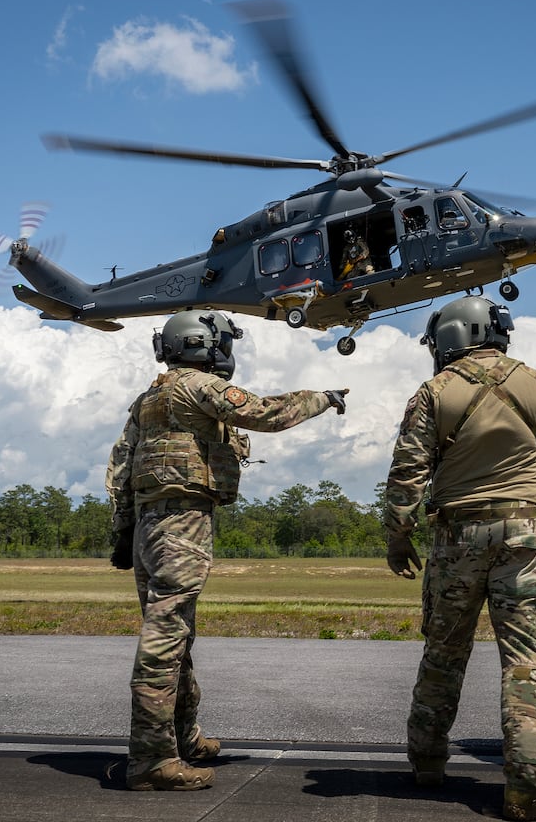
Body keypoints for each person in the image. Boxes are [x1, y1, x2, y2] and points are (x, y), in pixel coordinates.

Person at [383, 296, 536, 820]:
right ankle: (529, 790)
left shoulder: (434, 392)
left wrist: (399, 537)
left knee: (444, 653)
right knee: (528, 661)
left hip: (455, 537)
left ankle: (426, 762)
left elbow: (406, 476)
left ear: (449, 338)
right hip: (526, 536)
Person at [106, 309, 349, 791]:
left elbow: (119, 467)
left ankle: (183, 738)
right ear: (204, 345)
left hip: (150, 526)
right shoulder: (197, 386)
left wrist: (123, 531)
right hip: (181, 521)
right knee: (166, 637)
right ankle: (151, 760)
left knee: (178, 637)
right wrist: (323, 398)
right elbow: (266, 413)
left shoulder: (148, 398)